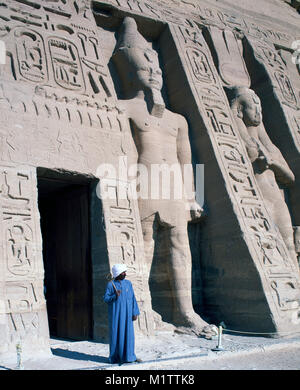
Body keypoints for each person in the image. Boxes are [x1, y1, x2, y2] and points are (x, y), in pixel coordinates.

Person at [112, 17, 215, 337]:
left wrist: (192, 195)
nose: (154, 74)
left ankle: (185, 313)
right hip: (144, 183)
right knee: (143, 246)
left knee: (180, 246)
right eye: (146, 69)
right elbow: (118, 148)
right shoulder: (126, 108)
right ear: (130, 72)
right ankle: (142, 310)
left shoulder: (178, 120)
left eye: (156, 70)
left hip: (173, 187)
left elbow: (188, 161)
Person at [228, 86, 299, 271]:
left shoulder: (270, 147)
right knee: (268, 246)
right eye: (253, 107)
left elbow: (290, 178)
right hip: (258, 200)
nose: (258, 111)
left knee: (289, 246)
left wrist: (273, 163)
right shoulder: (240, 141)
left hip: (277, 200)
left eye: (259, 107)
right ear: (240, 110)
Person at [103, 263, 141, 364]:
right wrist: (114, 296)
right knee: (116, 335)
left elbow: (133, 298)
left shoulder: (128, 283)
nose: (125, 274)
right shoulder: (111, 285)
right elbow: (106, 299)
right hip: (116, 315)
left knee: (129, 336)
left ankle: (129, 357)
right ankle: (115, 358)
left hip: (127, 315)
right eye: (123, 272)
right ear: (118, 273)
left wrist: (135, 312)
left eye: (125, 272)